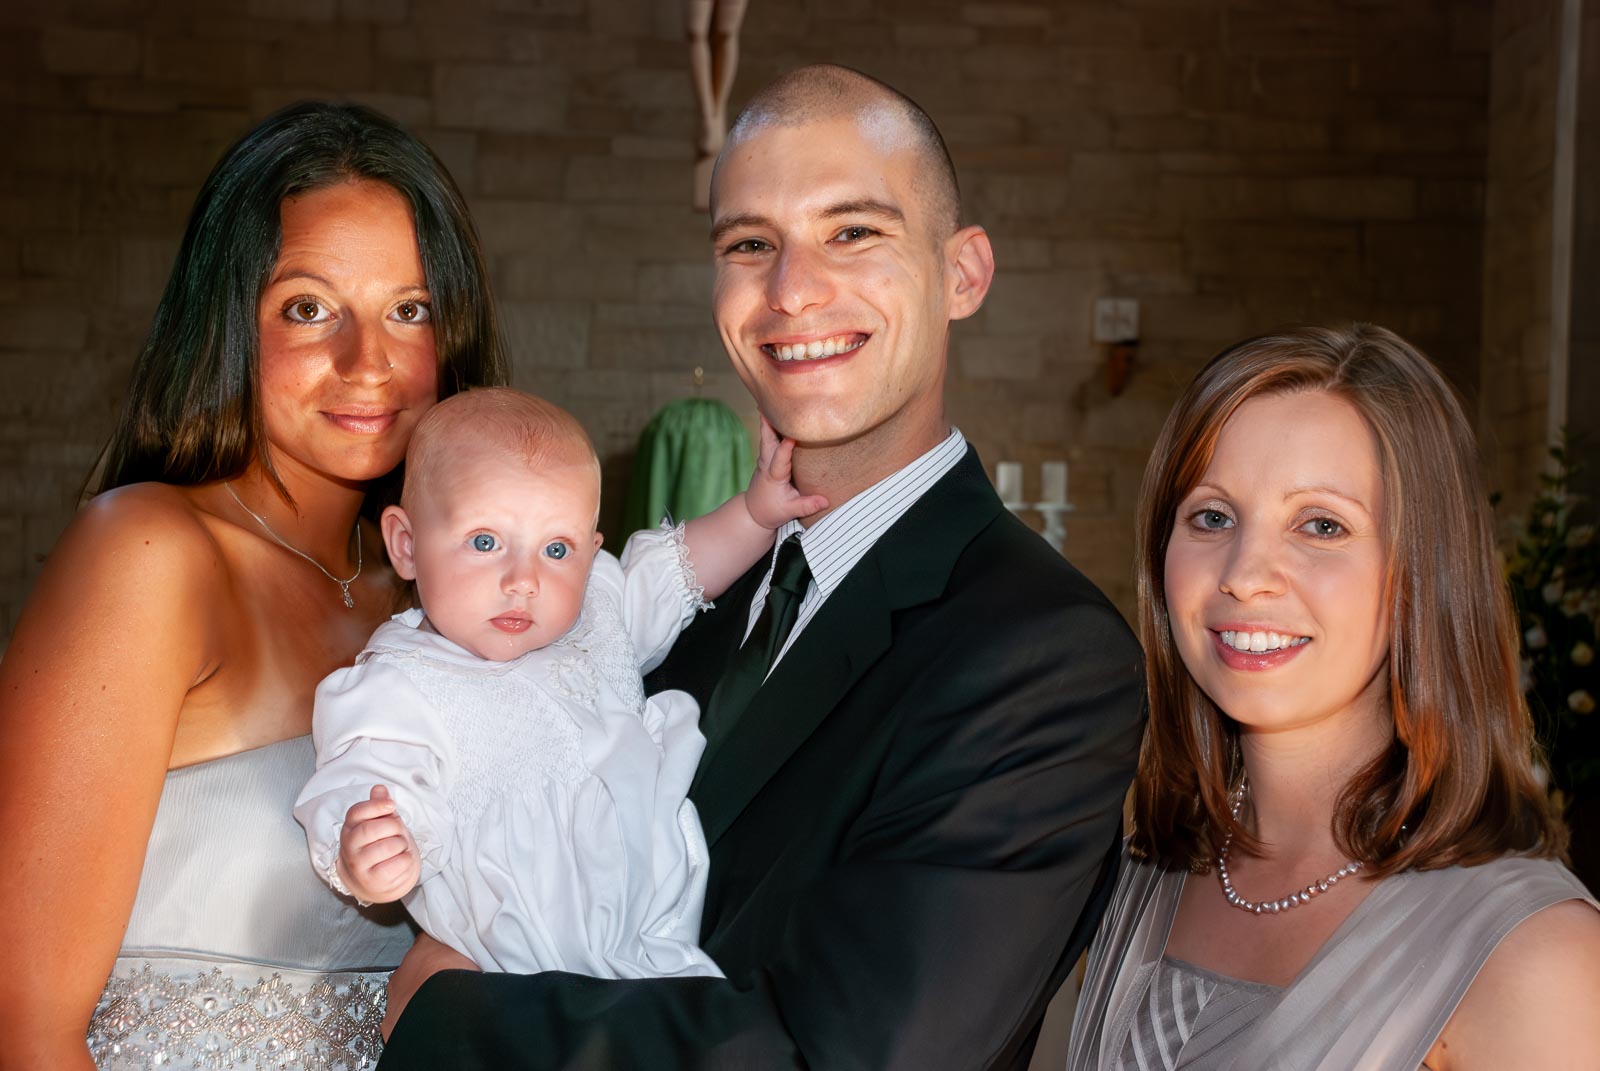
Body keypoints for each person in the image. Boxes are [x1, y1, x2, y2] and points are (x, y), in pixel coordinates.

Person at [377, 65, 1146, 1071]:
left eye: (853, 231)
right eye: (750, 244)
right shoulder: (669, 590)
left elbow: (853, 1054)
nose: (791, 290)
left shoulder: (1041, 654)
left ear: (962, 273)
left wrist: (446, 1012)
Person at [0, 101, 506, 1070]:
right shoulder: (152, 553)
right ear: (228, 321)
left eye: (410, 310)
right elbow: (25, 1029)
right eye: (309, 309)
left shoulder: (442, 600)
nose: (369, 364)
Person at [1066, 324, 1600, 1070]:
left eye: (1322, 525)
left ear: (1423, 571)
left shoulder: (1536, 955)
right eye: (1212, 516)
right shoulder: (1145, 873)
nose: (1246, 573)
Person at [295, 387, 825, 978]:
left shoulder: (596, 611)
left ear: (591, 553)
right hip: (522, 970)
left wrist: (754, 512)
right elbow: (363, 783)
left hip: (665, 942)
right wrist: (368, 850)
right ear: (407, 544)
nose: (523, 580)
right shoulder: (399, 683)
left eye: (556, 548)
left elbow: (685, 570)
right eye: (485, 542)